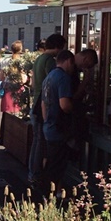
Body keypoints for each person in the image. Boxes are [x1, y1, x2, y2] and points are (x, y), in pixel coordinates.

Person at [28, 33, 65, 188]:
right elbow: (51, 84)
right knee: (40, 143)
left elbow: (35, 83)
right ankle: (36, 174)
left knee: (36, 142)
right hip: (43, 105)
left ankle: (32, 172)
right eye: (61, 48)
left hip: (35, 102)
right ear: (57, 47)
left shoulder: (39, 58)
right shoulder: (50, 61)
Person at [39, 49, 77, 198]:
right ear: (68, 61)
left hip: (49, 125)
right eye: (72, 64)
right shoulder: (63, 78)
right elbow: (64, 105)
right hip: (59, 127)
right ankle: (52, 194)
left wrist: (46, 121)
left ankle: (50, 191)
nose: (73, 68)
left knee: (49, 161)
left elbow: (43, 103)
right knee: (57, 165)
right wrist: (75, 109)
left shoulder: (49, 77)